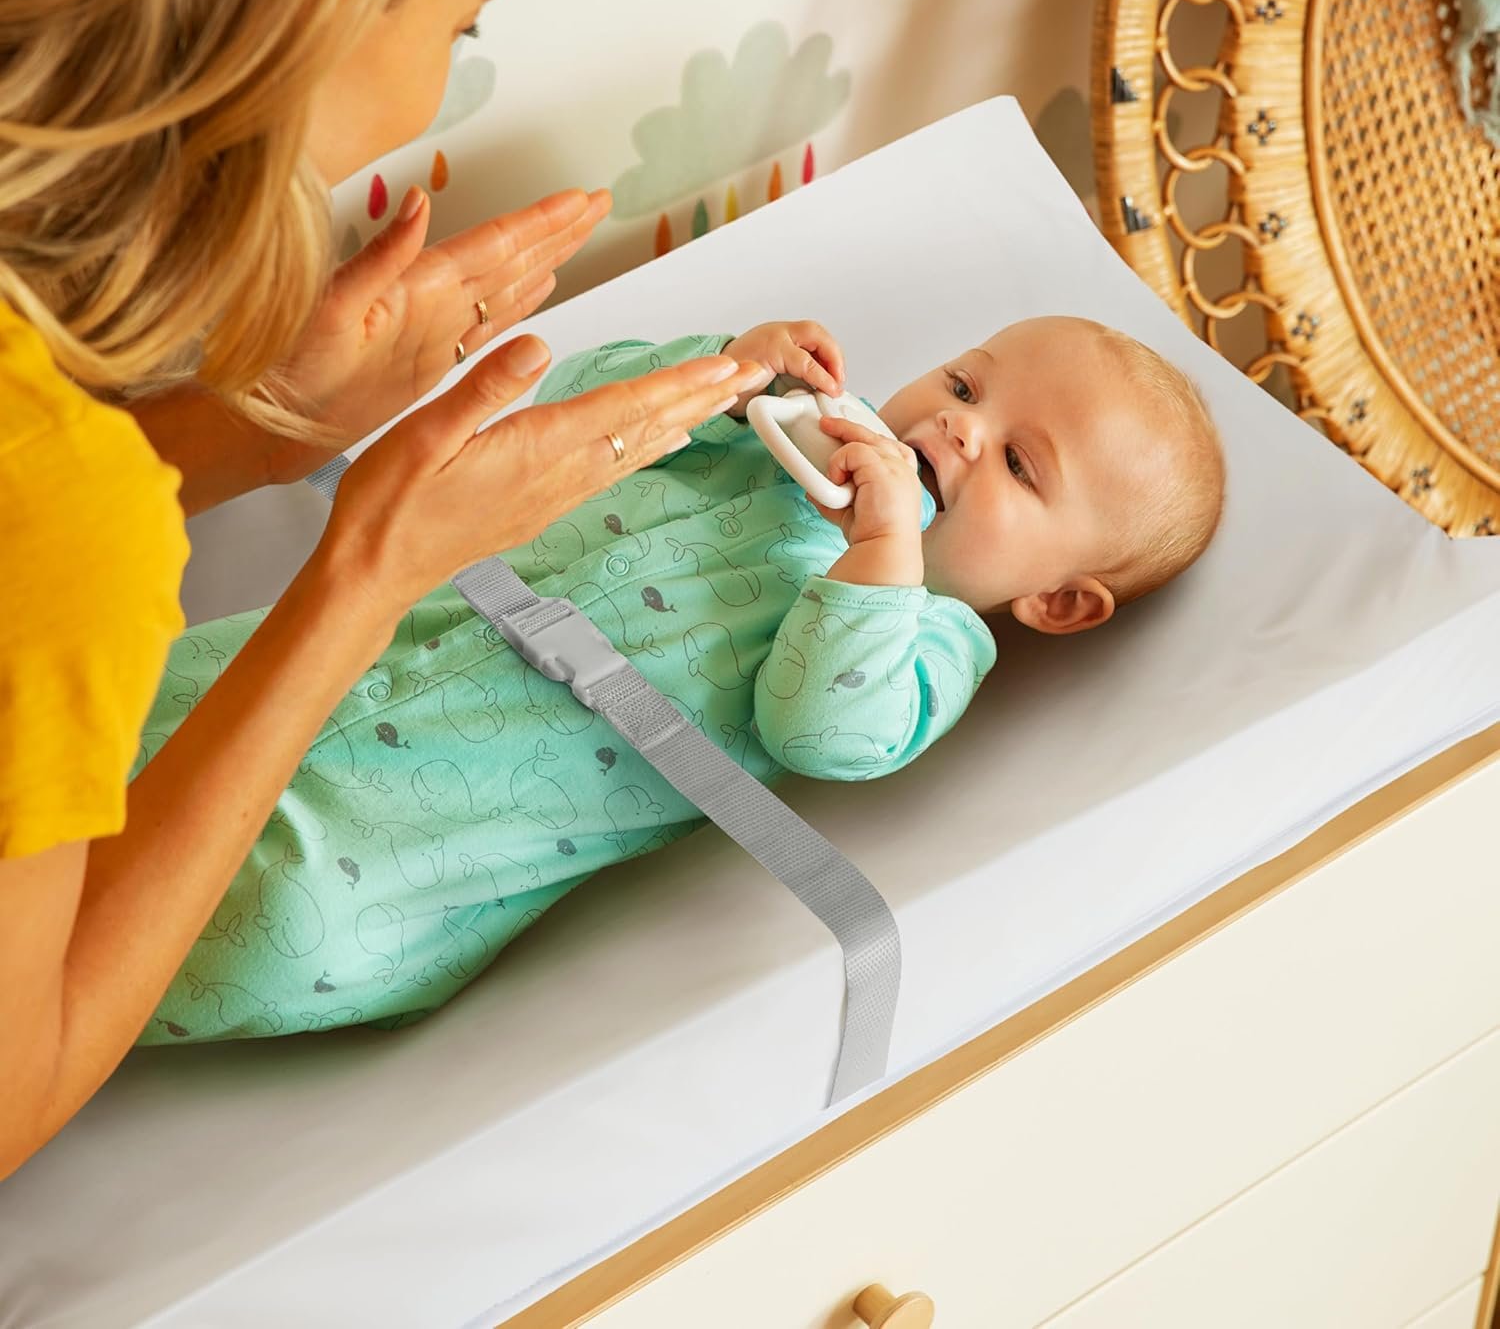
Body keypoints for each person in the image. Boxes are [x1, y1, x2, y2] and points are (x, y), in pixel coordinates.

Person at [0, 0, 765, 1178]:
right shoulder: (67, 520)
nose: (444, 83)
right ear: (308, 12)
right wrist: (369, 573)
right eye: (465, 23)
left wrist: (241, 436)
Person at [139, 313, 1226, 1043]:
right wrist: (725, 375)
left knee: (197, 929)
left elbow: (822, 730)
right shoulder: (777, 438)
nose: (959, 428)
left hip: (382, 860)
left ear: (1057, 603)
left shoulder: (925, 638)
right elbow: (577, 418)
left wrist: (885, 545)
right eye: (964, 383)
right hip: (321, 658)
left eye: (1021, 465)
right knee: (125, 706)